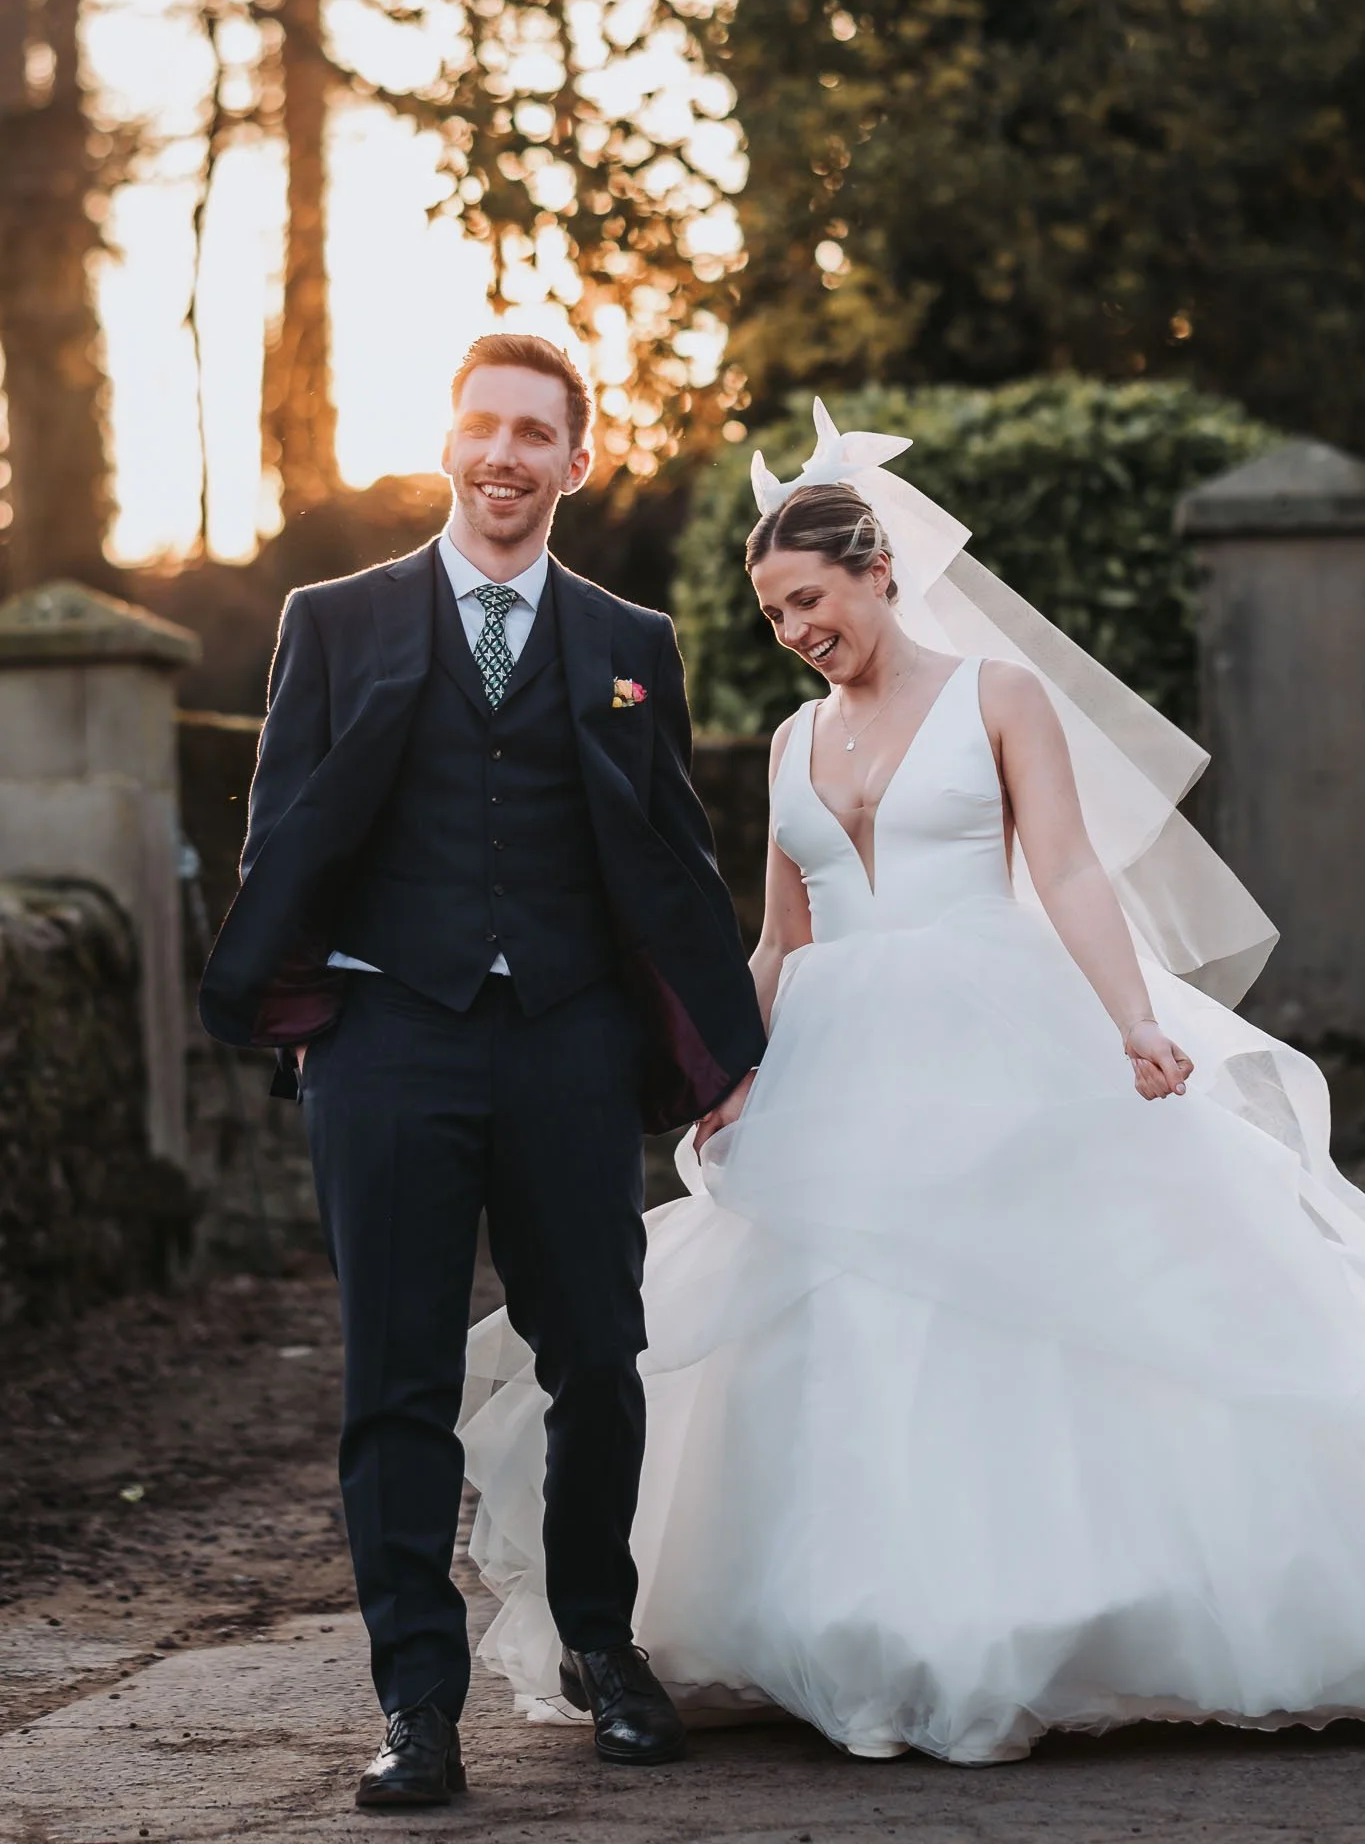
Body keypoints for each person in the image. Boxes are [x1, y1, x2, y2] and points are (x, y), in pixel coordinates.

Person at [460, 400, 1365, 1766]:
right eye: (771, 616)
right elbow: (780, 934)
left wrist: (1131, 1021)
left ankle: (1051, 1612)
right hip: (835, 1055)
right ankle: (848, 1613)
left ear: (880, 569)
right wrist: (723, 1073)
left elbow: (1063, 868)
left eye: (809, 598)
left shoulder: (997, 698)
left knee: (1029, 1305)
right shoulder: (790, 746)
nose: (795, 631)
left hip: (996, 1028)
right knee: (845, 1326)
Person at [198, 333, 766, 1808]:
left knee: (599, 1362)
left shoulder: (632, 643)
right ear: (448, 444)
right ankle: (418, 1706)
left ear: (579, 461)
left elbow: (675, 860)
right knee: (392, 1381)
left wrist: (721, 1048)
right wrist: (298, 1007)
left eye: (537, 433)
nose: (506, 455)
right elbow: (283, 832)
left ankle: (603, 1647)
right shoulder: (336, 619)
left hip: (573, 1041)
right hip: (390, 1042)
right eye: (484, 427)